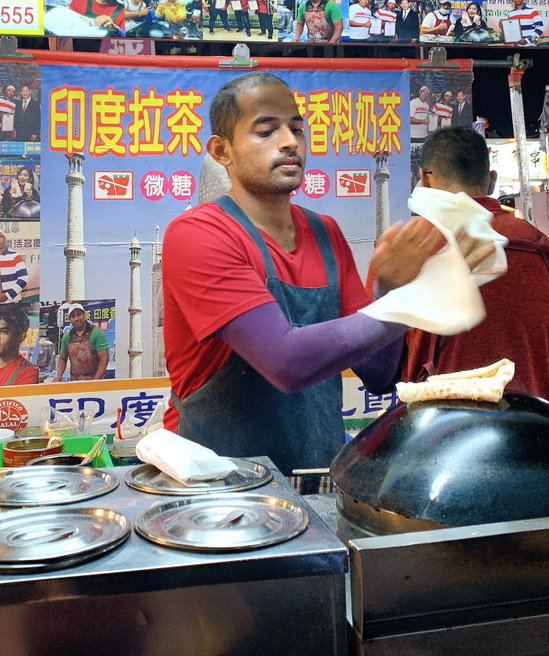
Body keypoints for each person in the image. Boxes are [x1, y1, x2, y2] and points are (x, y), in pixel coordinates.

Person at [160, 71, 488, 473]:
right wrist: (415, 301)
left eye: (297, 129)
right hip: (220, 487)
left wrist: (391, 288)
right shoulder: (198, 234)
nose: (289, 142)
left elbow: (380, 373)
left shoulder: (325, 232)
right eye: (266, 131)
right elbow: (285, 361)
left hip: (316, 480)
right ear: (221, 150)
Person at [402, 128, 549, 398]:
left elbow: (379, 371)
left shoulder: (408, 246)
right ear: (492, 180)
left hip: (438, 428)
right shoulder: (537, 243)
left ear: (424, 179)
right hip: (531, 423)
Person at [54, 304, 111, 381]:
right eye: (73, 316)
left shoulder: (96, 333)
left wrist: (96, 380)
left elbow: (104, 358)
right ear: (70, 319)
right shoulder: (67, 336)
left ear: (84, 315)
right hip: (74, 382)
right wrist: (59, 376)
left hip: (94, 380)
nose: (76, 318)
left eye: (79, 315)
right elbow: (62, 358)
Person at [0, 230, 29, 302]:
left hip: (13, 303)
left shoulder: (15, 256)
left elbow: (24, 278)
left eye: (0, 236)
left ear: (5, 239)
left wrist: (8, 295)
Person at [409, 84, 432, 151]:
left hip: (424, 135)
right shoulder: (413, 103)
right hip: (414, 135)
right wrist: (423, 121)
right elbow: (410, 119)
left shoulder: (427, 106)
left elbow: (427, 120)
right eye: (423, 92)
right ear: (420, 92)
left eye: (426, 93)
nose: (425, 94)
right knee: (414, 154)